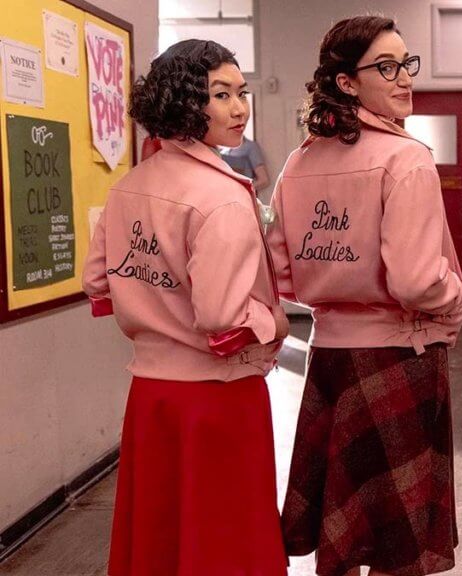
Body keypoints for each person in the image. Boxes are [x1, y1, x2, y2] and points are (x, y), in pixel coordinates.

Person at [267, 16, 462, 576]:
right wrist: (454, 299)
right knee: (396, 542)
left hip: (329, 358)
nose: (404, 78)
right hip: (398, 356)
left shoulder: (299, 162)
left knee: (345, 529)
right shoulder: (406, 158)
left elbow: (281, 273)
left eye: (406, 63)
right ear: (347, 83)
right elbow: (416, 281)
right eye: (386, 67)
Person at [82, 39, 289, 575]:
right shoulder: (223, 198)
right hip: (218, 397)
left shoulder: (128, 187)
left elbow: (96, 280)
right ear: (184, 101)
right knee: (225, 541)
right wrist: (274, 320)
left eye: (241, 93)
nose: (239, 108)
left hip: (151, 393)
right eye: (220, 95)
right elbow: (223, 318)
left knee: (158, 536)